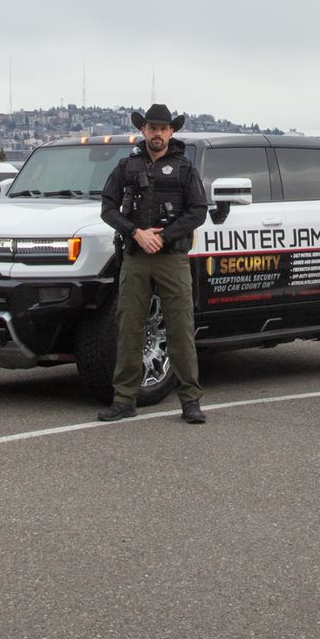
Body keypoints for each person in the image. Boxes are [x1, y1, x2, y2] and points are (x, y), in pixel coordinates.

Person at [96, 104, 207, 425]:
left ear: (171, 132)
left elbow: (198, 210)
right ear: (142, 130)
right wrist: (136, 233)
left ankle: (190, 401)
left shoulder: (185, 169)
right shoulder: (126, 166)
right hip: (135, 257)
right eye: (151, 128)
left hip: (171, 258)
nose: (157, 133)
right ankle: (124, 400)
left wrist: (164, 236)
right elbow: (107, 207)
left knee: (180, 328)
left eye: (163, 128)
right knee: (129, 328)